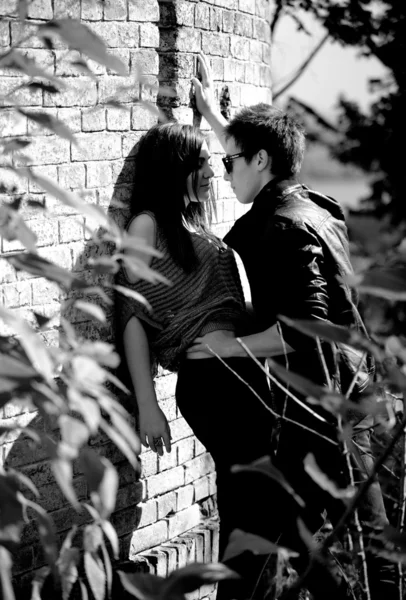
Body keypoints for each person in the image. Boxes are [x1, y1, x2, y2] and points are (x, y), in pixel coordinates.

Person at [188, 54, 397, 599]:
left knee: (360, 548)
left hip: (322, 408)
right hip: (355, 391)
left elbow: (303, 331)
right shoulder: (319, 206)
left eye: (229, 161)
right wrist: (215, 119)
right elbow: (262, 158)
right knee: (340, 541)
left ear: (261, 160)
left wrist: (223, 347)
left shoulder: (276, 230)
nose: (225, 170)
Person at [115, 122, 280, 599]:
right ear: (174, 169)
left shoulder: (193, 224)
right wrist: (149, 404)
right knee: (255, 502)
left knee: (251, 501)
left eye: (214, 161)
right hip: (210, 379)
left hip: (241, 370)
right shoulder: (147, 225)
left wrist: (207, 111)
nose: (213, 171)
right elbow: (132, 315)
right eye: (202, 162)